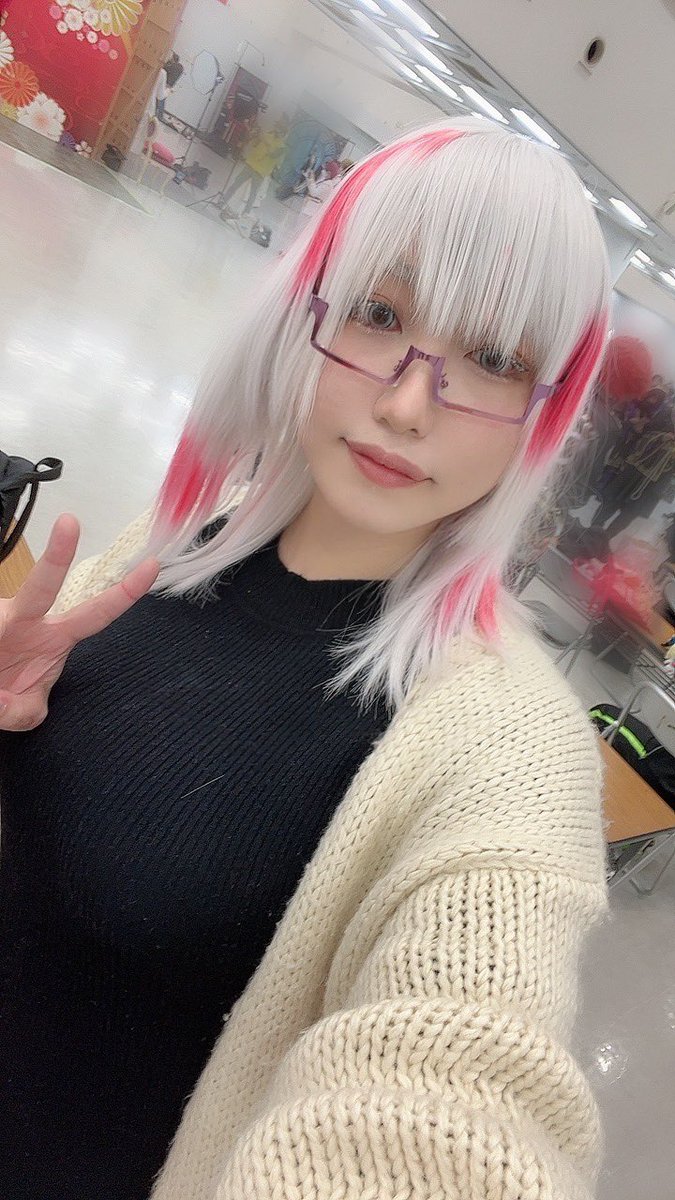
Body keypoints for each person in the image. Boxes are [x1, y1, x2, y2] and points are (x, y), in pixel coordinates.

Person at [0, 118, 611, 1200]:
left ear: (542, 409)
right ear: (309, 308)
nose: (407, 405)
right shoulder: (176, 544)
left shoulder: (511, 753)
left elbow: (461, 1097)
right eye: (380, 314)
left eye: (493, 359)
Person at [219, 116, 290, 221]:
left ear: (283, 133)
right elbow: (254, 144)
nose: (276, 130)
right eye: (276, 127)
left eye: (279, 129)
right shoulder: (267, 135)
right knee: (236, 184)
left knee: (253, 193)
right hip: (250, 165)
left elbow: (273, 155)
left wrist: (266, 142)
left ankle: (246, 212)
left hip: (260, 172)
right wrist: (255, 136)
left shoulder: (282, 147)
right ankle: (222, 202)